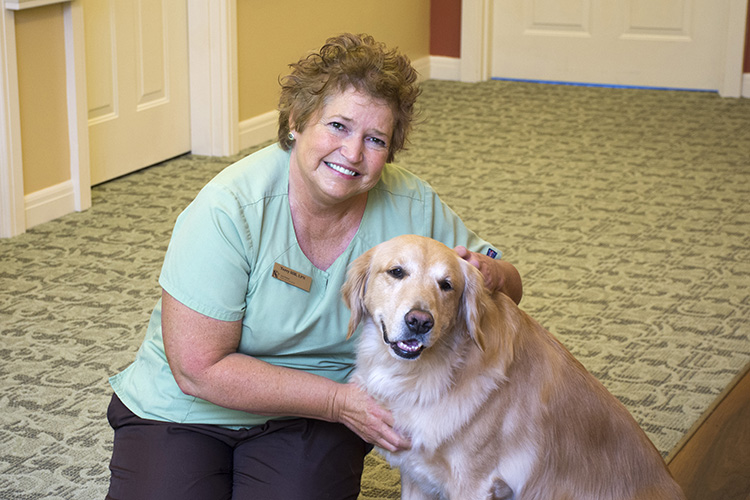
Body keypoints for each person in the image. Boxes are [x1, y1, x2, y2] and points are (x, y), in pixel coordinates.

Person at [105, 33, 523, 500]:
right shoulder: (228, 210)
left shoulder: (411, 205)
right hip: (186, 411)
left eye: (375, 139)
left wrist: (493, 274)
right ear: (297, 122)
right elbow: (197, 370)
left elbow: (499, 274)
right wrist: (339, 401)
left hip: (315, 418)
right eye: (338, 126)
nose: (352, 153)